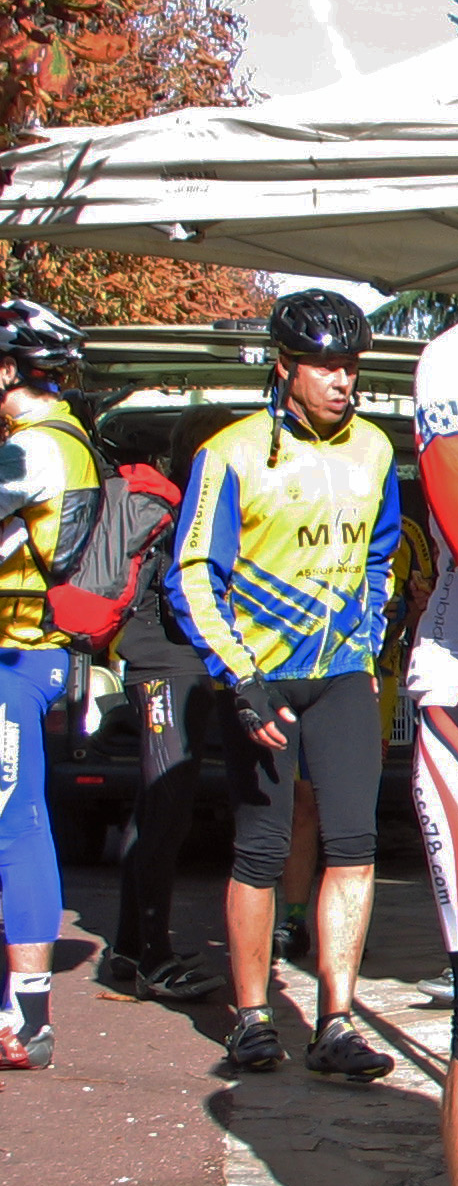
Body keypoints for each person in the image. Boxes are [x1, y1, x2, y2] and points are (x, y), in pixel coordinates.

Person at [169, 288, 401, 1086]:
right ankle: (253, 1016)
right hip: (262, 678)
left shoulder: (375, 449)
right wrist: (240, 679)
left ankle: (337, 1020)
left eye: (350, 366)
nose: (342, 380)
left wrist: (368, 638)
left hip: (341, 677)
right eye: (325, 366)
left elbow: (382, 555)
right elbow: (192, 574)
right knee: (262, 850)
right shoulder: (230, 452)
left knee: (355, 845)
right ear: (284, 367)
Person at [99, 405, 234, 1005]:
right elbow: (185, 594)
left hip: (158, 664)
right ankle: (153, 956)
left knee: (154, 807)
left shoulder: (179, 502)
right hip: (167, 666)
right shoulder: (191, 510)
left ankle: (131, 947)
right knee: (166, 808)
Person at [0, 300, 99, 1070]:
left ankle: (28, 1017)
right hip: (37, 656)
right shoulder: (65, 438)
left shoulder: (30, 449)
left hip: (14, 656)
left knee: (16, 822)